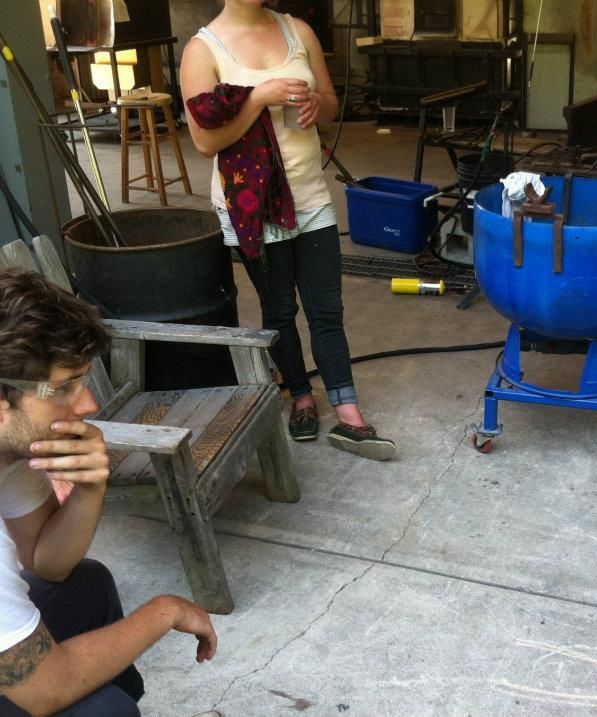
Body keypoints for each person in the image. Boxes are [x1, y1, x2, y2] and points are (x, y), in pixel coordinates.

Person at [180, 0, 396, 460]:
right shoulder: (204, 49)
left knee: (326, 311)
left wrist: (319, 103)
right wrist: (258, 97)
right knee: (279, 310)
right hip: (252, 205)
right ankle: (299, 396)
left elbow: (334, 105)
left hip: (310, 196)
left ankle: (348, 412)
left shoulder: (297, 30)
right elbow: (204, 142)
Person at [0, 269, 217, 717]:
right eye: (63, 389)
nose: (88, 406)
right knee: (103, 710)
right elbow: (45, 690)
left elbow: (48, 564)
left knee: (87, 584)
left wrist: (89, 488)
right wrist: (165, 611)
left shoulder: (9, 451)